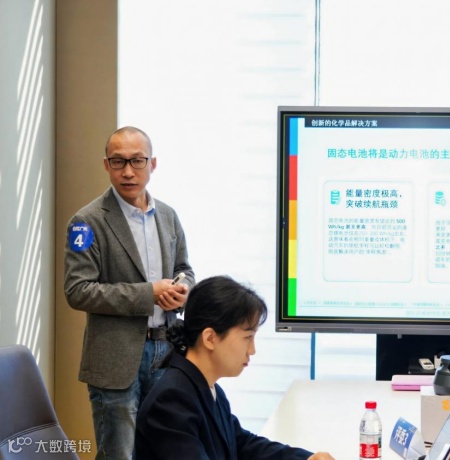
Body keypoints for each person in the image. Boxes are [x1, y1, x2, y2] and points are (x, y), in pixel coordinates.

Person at [64, 126, 195, 459]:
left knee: (164, 451)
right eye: (118, 161)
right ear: (106, 165)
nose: (128, 171)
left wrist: (184, 290)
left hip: (166, 353)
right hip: (114, 359)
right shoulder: (86, 222)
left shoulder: (168, 216)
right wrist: (148, 294)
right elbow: (78, 291)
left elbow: (185, 269)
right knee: (119, 454)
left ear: (152, 164)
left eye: (137, 161)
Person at [135, 275, 335, 460]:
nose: (252, 350)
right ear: (210, 338)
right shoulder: (171, 400)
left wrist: (305, 458)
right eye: (247, 337)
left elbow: (241, 444)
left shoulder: (207, 388)